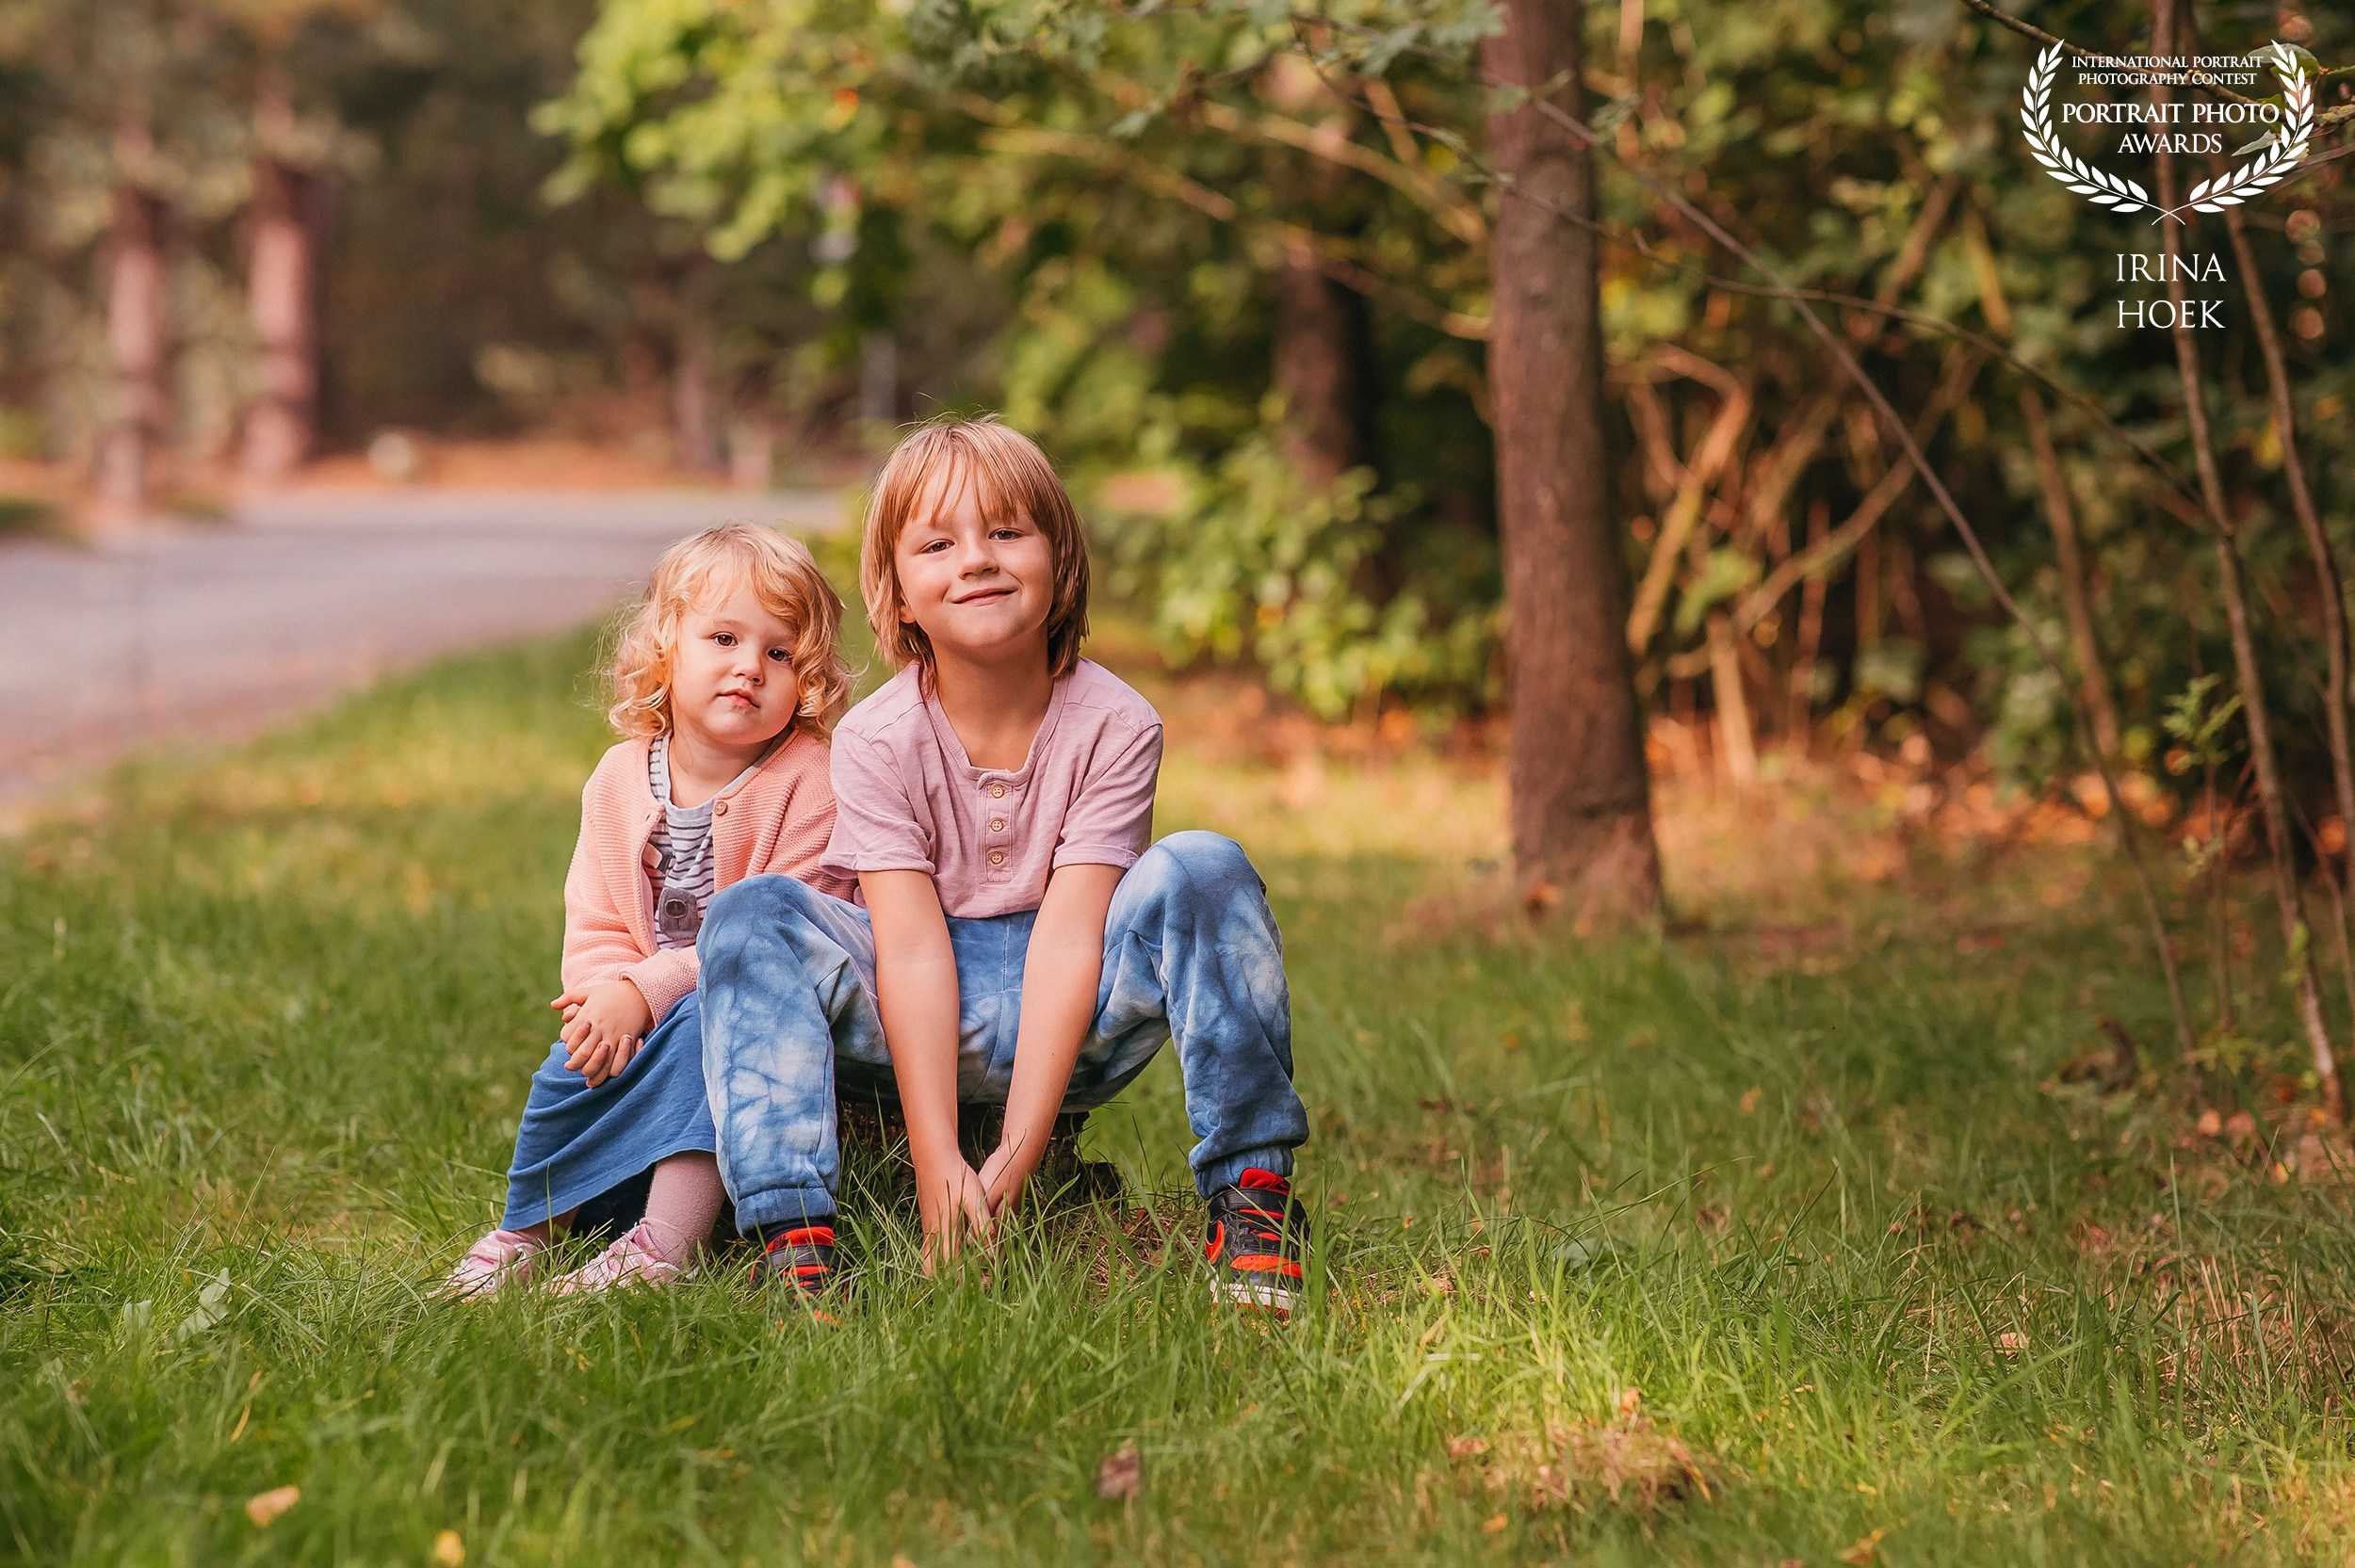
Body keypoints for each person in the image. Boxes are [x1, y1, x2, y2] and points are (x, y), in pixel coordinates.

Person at [699, 415, 1315, 1310]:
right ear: (900, 594)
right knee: (752, 913)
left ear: (1060, 564)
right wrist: (939, 1165)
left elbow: (1070, 938)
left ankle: (1252, 1197)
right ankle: (790, 1237)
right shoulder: (877, 738)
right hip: (905, 1007)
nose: (977, 559)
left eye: (1007, 532)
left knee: (1204, 865)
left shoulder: (1117, 723)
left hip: (1080, 1013)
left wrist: (1015, 1159)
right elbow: (906, 948)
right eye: (939, 543)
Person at [440, 523, 853, 1297]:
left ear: (809, 675)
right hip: (639, 1001)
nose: (748, 667)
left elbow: (794, 927)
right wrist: (605, 995)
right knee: (570, 1061)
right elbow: (594, 912)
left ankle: (665, 1247)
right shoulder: (620, 777)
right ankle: (527, 1229)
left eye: (778, 652)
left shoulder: (811, 781)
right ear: (668, 647)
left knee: (706, 1026)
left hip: (759, 1017)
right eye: (724, 637)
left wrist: (651, 989)